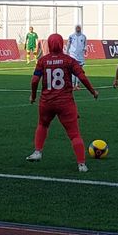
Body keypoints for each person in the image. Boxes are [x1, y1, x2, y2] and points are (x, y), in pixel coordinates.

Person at [26, 33, 99, 172]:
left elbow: (35, 80)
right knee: (74, 134)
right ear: (61, 44)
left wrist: (33, 96)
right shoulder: (69, 61)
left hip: (46, 102)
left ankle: (37, 152)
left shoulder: (43, 61)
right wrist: (93, 91)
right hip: (65, 103)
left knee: (43, 125)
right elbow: (82, 77)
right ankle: (81, 164)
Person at [66, 25, 87, 90]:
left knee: (79, 71)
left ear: (80, 28)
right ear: (75, 28)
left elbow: (85, 45)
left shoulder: (83, 37)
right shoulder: (71, 36)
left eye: (79, 28)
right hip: (73, 55)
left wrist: (85, 49)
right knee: (73, 70)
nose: (78, 29)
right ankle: (72, 85)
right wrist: (67, 52)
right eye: (77, 28)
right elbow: (68, 44)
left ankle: (77, 85)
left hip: (80, 56)